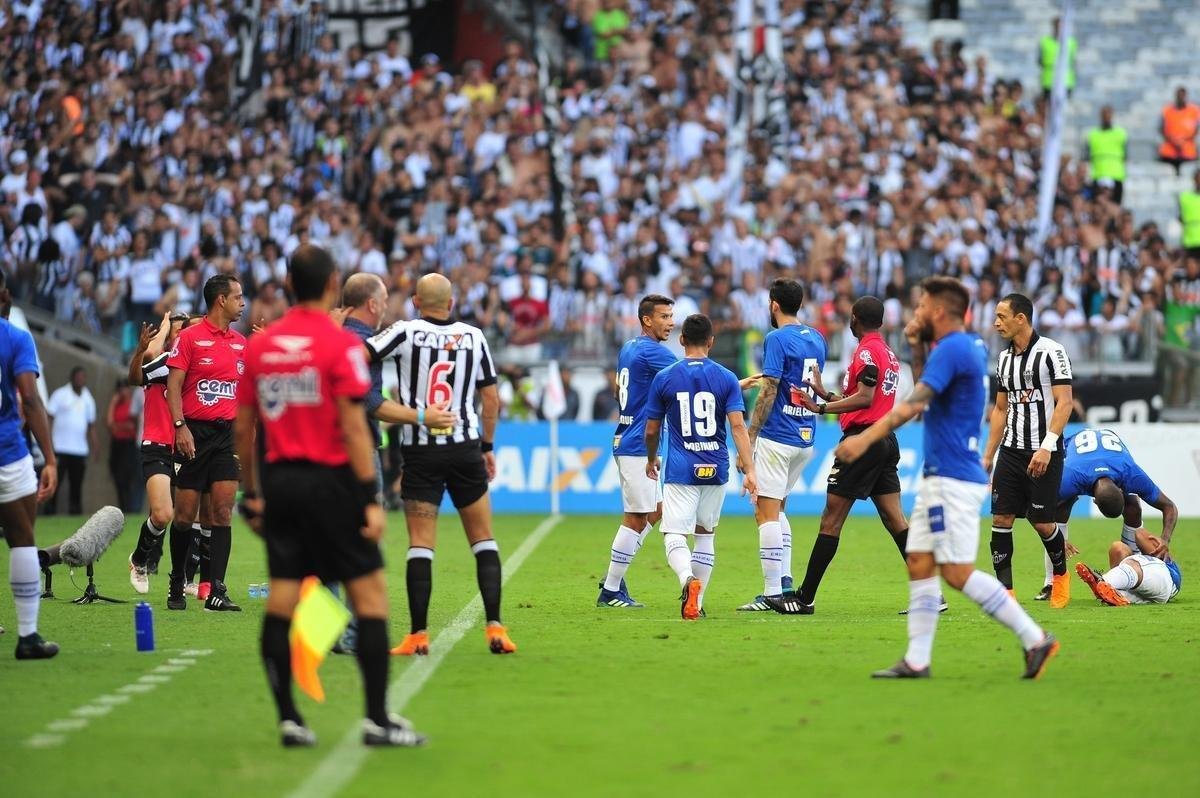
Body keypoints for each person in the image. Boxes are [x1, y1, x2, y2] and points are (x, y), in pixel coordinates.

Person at [235, 244, 426, 748]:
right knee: (370, 596)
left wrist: (251, 495)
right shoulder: (340, 344)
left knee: (282, 596)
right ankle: (377, 719)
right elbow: (353, 424)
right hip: (334, 483)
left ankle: (289, 719)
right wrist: (369, 496)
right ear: (330, 284)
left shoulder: (261, 345)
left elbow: (244, 427)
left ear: (289, 284)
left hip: (280, 483)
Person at [836, 276, 1059, 680]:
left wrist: (865, 438)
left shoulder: (954, 348)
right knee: (920, 562)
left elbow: (915, 402)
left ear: (939, 310)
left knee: (955, 572)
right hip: (943, 475)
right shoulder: (961, 346)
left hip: (952, 479)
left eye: (922, 305)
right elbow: (928, 391)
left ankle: (1035, 638)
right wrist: (919, 346)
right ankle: (917, 660)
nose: (916, 311)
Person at [365, 273, 516, 656]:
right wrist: (487, 446)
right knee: (483, 538)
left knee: (420, 544)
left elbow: (360, 353)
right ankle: (496, 628)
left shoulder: (406, 331)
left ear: (416, 301)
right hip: (465, 446)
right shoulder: (474, 336)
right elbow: (492, 399)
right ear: (451, 303)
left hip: (421, 448)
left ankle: (418, 635)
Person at [336, 273, 457, 652]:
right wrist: (422, 417)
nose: (388, 305)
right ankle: (353, 634)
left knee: (325, 546)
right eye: (384, 299)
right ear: (372, 304)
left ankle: (322, 632)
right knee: (360, 545)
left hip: (314, 456)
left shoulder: (332, 335)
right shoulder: (361, 344)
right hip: (354, 454)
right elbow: (369, 402)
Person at [791, 296, 920, 612]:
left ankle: (804, 597)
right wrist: (826, 394)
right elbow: (867, 400)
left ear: (856, 318)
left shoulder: (866, 351)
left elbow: (864, 399)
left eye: (850, 317)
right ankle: (931, 594)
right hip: (884, 438)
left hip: (864, 441)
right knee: (895, 519)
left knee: (831, 519)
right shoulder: (887, 352)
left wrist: (821, 407)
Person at [644, 314, 758, 619]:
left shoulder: (665, 377)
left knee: (674, 534)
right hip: (716, 467)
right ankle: (698, 602)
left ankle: (687, 580)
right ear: (711, 342)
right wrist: (750, 470)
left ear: (681, 340)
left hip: (681, 468)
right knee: (705, 533)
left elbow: (652, 429)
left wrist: (651, 456)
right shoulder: (727, 378)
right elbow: (737, 427)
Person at [983, 293, 1074, 608]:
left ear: (1020, 318)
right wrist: (987, 455)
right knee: (1001, 518)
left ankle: (1060, 576)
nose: (996, 323)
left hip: (1044, 451)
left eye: (1002, 316)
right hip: (1010, 451)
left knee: (1042, 523)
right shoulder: (1004, 359)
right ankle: (1005, 593)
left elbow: (1065, 401)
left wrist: (1047, 447)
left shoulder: (1052, 352)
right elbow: (999, 409)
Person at [741, 279, 827, 613]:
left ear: (774, 305)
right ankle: (786, 581)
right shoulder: (816, 338)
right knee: (778, 510)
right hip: (805, 437)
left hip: (778, 437)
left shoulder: (776, 338)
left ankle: (771, 592)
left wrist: (750, 435)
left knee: (765, 513)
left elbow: (769, 388)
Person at [166, 274, 247, 612]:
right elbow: (173, 386)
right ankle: (176, 579)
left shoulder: (242, 343)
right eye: (238, 297)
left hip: (226, 435)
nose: (242, 303)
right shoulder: (189, 339)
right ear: (220, 301)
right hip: (193, 433)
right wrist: (180, 427)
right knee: (184, 516)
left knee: (223, 512)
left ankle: (216, 589)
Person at [595, 294, 676, 608]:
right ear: (647, 320)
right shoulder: (653, 352)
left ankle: (617, 572)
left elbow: (619, 390)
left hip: (631, 439)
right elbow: (694, 377)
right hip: (638, 445)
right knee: (635, 517)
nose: (670, 322)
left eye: (671, 316)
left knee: (656, 511)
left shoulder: (629, 347)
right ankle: (612, 588)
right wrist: (733, 385)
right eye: (664, 317)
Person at [1038, 428, 1179, 600]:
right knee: (1062, 507)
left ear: (1123, 489)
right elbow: (1039, 509)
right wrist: (1057, 538)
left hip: (1113, 456)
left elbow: (1169, 507)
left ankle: (1131, 565)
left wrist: (1165, 540)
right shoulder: (1069, 478)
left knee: (1133, 506)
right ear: (1094, 501)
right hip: (1071, 448)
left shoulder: (1131, 473)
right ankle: (1052, 583)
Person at [0, 271, 60, 658]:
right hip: (7, 454)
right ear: (3, 294)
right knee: (22, 539)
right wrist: (50, 459)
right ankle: (27, 636)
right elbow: (32, 401)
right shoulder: (15, 338)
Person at [1076, 529, 1181, 606]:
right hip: (1147, 588)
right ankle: (1115, 593)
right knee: (1118, 548)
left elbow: (1140, 533)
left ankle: (1103, 581)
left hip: (1168, 579)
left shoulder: (1163, 563)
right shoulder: (1145, 559)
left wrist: (1164, 540)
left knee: (1133, 563)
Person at [45, 366, 97, 516]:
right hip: (60, 447)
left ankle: (75, 512)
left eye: (83, 377)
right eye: (78, 377)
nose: (81, 380)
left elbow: (91, 425)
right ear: (72, 378)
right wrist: (47, 440)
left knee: (76, 484)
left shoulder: (88, 399)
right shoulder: (60, 394)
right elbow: (50, 417)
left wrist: (95, 445)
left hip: (79, 450)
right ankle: (50, 511)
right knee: (56, 482)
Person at [106, 379, 140, 511]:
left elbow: (132, 425)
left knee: (127, 477)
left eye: (124, 388)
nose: (122, 391)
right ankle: (123, 507)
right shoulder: (116, 405)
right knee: (117, 477)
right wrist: (113, 403)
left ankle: (130, 508)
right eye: (119, 388)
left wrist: (118, 426)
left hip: (129, 444)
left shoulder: (132, 404)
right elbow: (110, 424)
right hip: (117, 444)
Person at [1086, 106, 1127, 205]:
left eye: (1109, 114)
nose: (1107, 117)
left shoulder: (1120, 134)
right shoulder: (1093, 134)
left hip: (1116, 175)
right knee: (1098, 206)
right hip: (1098, 174)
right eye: (1104, 114)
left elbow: (1125, 154)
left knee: (1115, 206)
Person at [1158, 86, 1200, 176]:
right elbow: (1161, 129)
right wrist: (1174, 141)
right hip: (1169, 152)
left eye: (1182, 95)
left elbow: (1196, 129)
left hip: (1188, 151)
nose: (1181, 98)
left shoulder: (1194, 111)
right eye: (1179, 95)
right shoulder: (1167, 110)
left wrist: (1182, 141)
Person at [1038, 17, 1076, 101]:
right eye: (1057, 27)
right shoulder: (1045, 42)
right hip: (1049, 81)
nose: (1059, 30)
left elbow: (1073, 61)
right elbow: (1039, 61)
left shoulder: (1071, 42)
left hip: (1066, 81)